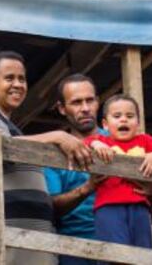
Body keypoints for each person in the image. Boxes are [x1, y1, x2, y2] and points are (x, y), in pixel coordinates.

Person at [0, 51, 92, 265]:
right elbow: (2, 149)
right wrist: (57, 136)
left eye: (22, 78)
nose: (18, 84)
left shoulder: (13, 128)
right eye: (9, 78)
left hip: (24, 241)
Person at [84, 94, 152, 262]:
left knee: (143, 255)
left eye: (130, 116)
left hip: (140, 208)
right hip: (108, 207)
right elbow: (84, 143)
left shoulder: (145, 141)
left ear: (138, 122)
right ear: (105, 124)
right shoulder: (102, 141)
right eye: (117, 116)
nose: (123, 120)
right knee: (113, 256)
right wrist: (96, 144)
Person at [45, 74, 103, 265]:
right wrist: (88, 187)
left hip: (121, 239)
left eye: (90, 100)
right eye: (77, 102)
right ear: (62, 108)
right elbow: (50, 207)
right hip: (72, 248)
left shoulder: (121, 140)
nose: (85, 108)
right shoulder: (52, 153)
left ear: (98, 101)